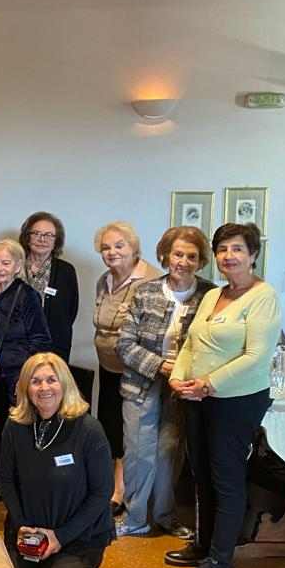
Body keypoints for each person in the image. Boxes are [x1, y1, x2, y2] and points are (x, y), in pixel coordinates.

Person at [167, 223, 281, 568]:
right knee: (200, 474)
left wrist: (209, 383)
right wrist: (178, 377)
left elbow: (256, 356)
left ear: (253, 254)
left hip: (236, 401)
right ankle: (204, 544)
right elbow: (191, 343)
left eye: (237, 249)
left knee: (226, 479)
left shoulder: (263, 296)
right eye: (222, 249)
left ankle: (221, 561)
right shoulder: (213, 294)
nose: (228, 256)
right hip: (197, 398)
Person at [116, 227, 215, 538]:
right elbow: (124, 344)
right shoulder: (144, 292)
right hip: (141, 384)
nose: (183, 262)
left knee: (169, 454)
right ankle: (135, 519)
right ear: (165, 256)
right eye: (177, 254)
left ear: (200, 261)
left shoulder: (210, 295)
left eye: (191, 256)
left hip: (184, 390)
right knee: (138, 453)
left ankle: (165, 516)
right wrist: (161, 366)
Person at [0, 353, 114, 568]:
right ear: (25, 388)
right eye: (35, 381)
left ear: (64, 384)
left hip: (78, 536)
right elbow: (6, 480)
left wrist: (60, 537)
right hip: (29, 530)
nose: (44, 388)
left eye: (51, 380)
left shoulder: (88, 429)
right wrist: (21, 525)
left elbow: (102, 492)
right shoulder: (14, 427)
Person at [0, 239, 52, 501]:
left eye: (6, 263)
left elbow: (41, 339)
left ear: (18, 266)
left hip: (18, 375)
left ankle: (24, 484)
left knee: (20, 428)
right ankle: (2, 481)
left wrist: (26, 374)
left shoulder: (27, 295)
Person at [93, 221, 159, 515]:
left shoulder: (150, 281)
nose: (112, 252)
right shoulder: (104, 280)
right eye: (106, 247)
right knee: (110, 427)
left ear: (134, 248)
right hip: (108, 366)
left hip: (137, 370)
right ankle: (113, 485)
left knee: (133, 433)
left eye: (119, 246)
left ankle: (124, 494)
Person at [19, 212, 79, 363]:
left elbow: (70, 312)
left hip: (53, 348)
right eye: (36, 233)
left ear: (56, 241)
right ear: (27, 237)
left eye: (49, 235)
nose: (42, 239)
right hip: (15, 347)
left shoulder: (66, 271)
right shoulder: (13, 266)